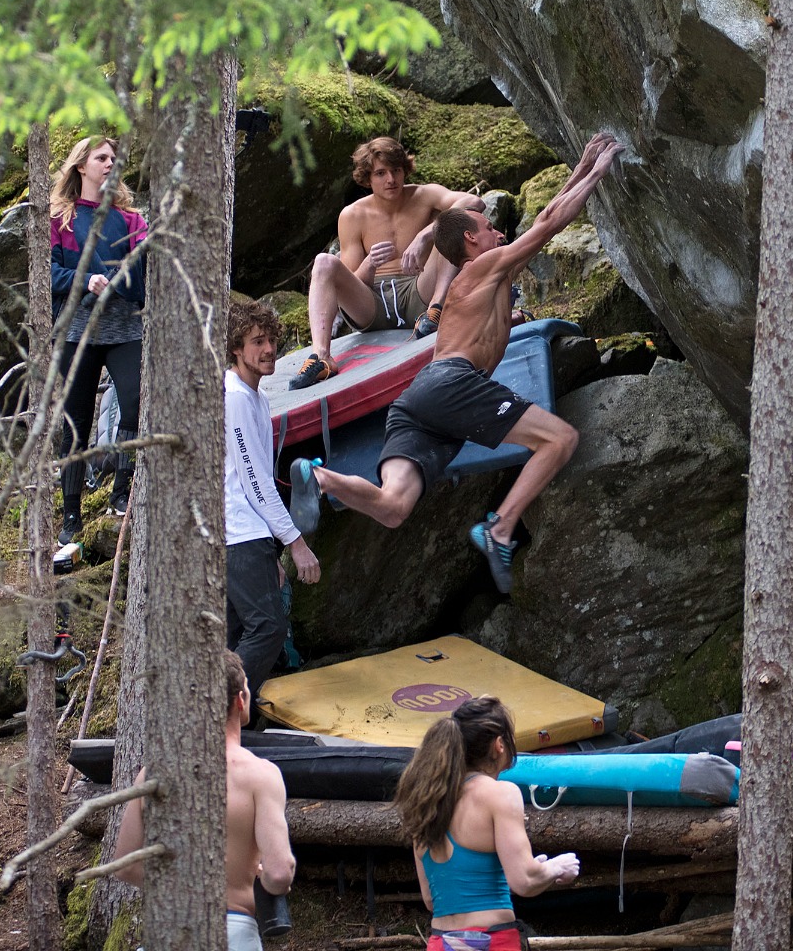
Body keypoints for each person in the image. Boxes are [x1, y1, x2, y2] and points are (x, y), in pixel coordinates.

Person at [288, 133, 619, 593]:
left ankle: (320, 476)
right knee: (560, 439)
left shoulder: (493, 274)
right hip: (452, 383)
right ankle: (500, 528)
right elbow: (548, 222)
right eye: (489, 228)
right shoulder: (481, 267)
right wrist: (597, 172)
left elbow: (544, 219)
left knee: (393, 508)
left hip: (418, 401)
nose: (499, 233)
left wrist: (579, 167)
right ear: (470, 239)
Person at [111, 650, 296, 951]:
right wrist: (265, 882)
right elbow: (278, 873)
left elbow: (125, 865)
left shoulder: (152, 774)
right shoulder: (260, 775)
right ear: (240, 700)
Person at [288, 137, 484, 389]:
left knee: (451, 227)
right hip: (373, 303)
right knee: (324, 262)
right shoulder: (353, 215)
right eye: (381, 173)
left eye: (396, 170)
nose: (391, 179)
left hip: (419, 290)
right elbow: (351, 282)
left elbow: (475, 203)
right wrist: (369, 264)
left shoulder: (424, 195)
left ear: (405, 170)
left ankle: (436, 311)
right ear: (367, 178)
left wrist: (425, 235)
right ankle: (321, 356)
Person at [393, 697, 581, 950]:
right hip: (491, 941)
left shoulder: (426, 804)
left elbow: (431, 899)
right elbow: (525, 881)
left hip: (441, 942)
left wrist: (526, 870)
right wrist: (557, 867)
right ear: (499, 744)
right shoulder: (500, 793)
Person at [51, 137, 148, 545]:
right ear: (81, 166)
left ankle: (121, 492)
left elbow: (143, 267)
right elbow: (48, 271)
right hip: (78, 332)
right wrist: (84, 280)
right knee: (75, 420)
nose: (110, 163)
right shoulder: (60, 218)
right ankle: (70, 516)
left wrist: (121, 277)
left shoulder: (130, 218)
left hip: (124, 328)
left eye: (113, 158)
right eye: (101, 158)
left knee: (136, 402)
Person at [226, 298, 322, 700]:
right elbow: (255, 480)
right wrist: (295, 543)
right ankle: (221, 715)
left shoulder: (256, 398)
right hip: (236, 533)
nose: (268, 349)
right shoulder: (234, 397)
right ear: (236, 348)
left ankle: (226, 722)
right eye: (257, 342)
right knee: (267, 629)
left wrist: (270, 551)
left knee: (234, 638)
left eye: (271, 340)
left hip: (246, 535)